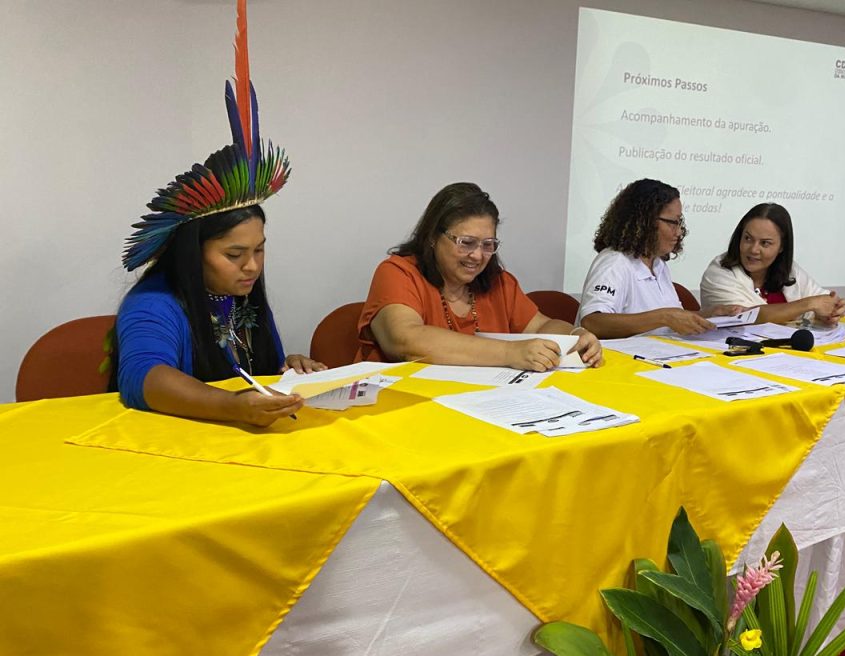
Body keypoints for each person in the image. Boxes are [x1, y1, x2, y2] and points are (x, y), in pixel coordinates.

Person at [110, 0, 322, 426]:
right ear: (193, 251)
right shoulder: (154, 304)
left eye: (259, 250)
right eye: (234, 254)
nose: (252, 266)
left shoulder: (240, 297)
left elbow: (250, 374)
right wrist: (231, 407)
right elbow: (144, 378)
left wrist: (285, 370)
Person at [357, 182, 602, 371]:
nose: (477, 255)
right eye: (466, 243)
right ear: (432, 237)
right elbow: (406, 340)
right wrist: (509, 353)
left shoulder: (498, 282)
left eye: (488, 245)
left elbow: (540, 326)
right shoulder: (398, 273)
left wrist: (575, 335)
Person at [576, 179, 741, 339]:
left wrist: (709, 314)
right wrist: (664, 317)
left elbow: (670, 322)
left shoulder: (658, 264)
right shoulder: (614, 262)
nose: (679, 232)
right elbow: (592, 322)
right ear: (644, 222)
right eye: (672, 223)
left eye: (679, 223)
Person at [700, 202, 845, 326]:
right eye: (748, 239)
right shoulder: (718, 272)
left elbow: (822, 299)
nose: (753, 249)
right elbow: (749, 317)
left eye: (765, 243)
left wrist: (833, 309)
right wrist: (809, 305)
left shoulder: (790, 271)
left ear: (781, 247)